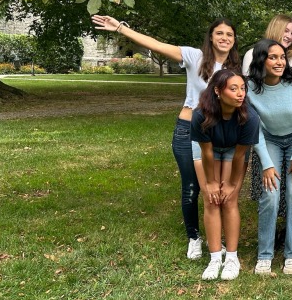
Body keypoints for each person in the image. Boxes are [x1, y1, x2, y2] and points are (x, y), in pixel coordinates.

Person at [91, 15, 241, 260]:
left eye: (229, 35)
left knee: (216, 188)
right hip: (188, 130)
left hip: (218, 135)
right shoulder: (195, 57)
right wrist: (120, 28)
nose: (224, 38)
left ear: (234, 41)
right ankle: (194, 237)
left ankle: (220, 240)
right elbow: (155, 45)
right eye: (220, 33)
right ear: (211, 37)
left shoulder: (235, 69)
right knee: (191, 187)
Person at [246, 39, 292, 275]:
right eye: (272, 57)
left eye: (282, 57)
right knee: (270, 194)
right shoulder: (250, 88)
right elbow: (255, 130)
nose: (278, 62)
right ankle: (265, 255)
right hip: (269, 140)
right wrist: (266, 163)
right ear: (261, 60)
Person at [191, 70, 259, 280]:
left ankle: (231, 258)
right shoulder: (200, 114)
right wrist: (211, 183)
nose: (241, 93)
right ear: (218, 91)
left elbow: (239, 156)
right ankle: (214, 259)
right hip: (206, 149)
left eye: (243, 88)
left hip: (232, 150)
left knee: (229, 200)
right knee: (211, 200)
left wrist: (231, 184)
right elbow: (207, 152)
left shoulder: (250, 118)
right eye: (234, 88)